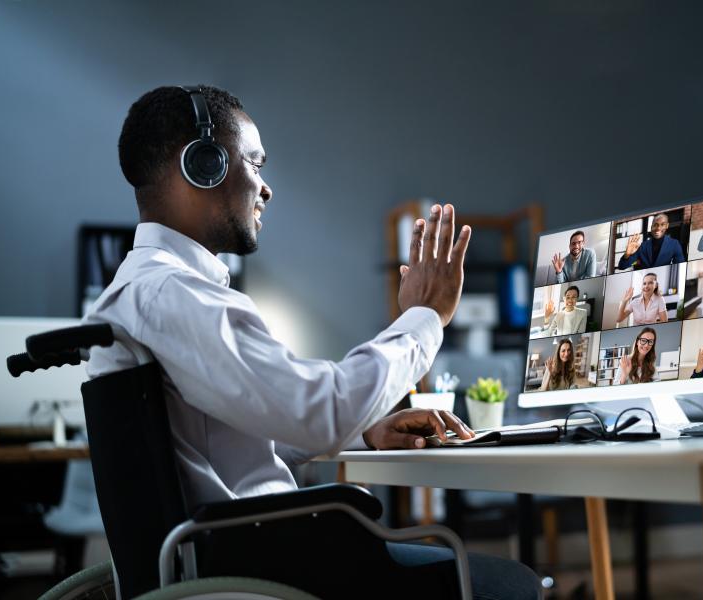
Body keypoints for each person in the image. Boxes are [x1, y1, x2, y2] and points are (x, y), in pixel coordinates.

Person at [84, 85, 540, 599]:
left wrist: (364, 431)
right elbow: (324, 409)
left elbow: (228, 438)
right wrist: (425, 316)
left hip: (223, 560)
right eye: (254, 164)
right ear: (203, 166)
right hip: (261, 570)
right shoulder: (173, 294)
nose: (266, 188)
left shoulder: (144, 291)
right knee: (512, 585)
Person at [617, 213, 686, 271]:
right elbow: (622, 266)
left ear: (667, 226)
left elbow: (680, 267)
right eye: (655, 225)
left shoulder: (674, 244)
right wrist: (627, 254)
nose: (658, 228)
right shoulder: (643, 246)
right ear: (651, 227)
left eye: (662, 224)